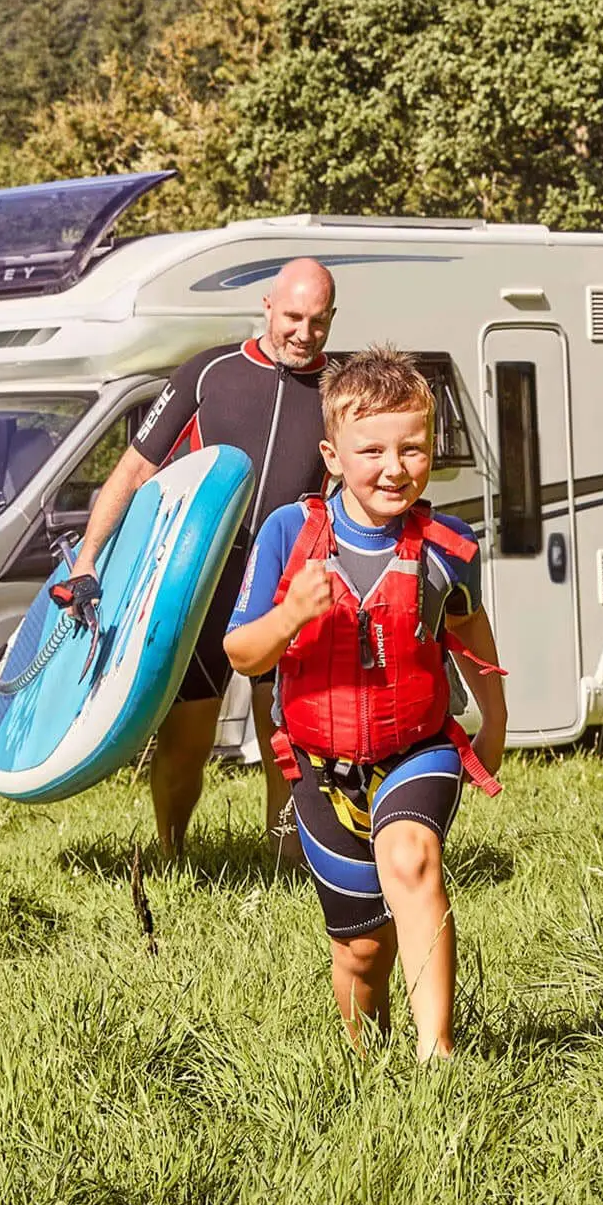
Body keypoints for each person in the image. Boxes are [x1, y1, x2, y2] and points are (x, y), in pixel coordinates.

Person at [223, 347, 508, 1060]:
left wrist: (496, 719)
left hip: (419, 746)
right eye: (372, 450)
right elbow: (242, 654)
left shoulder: (449, 546)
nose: (394, 468)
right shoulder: (289, 533)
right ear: (332, 455)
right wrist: (290, 615)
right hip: (320, 765)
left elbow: (470, 628)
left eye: (412, 449)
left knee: (412, 859)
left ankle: (438, 1058)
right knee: (360, 951)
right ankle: (366, 1060)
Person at [58, 257, 337, 863]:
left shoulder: (340, 388)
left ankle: (289, 868)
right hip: (205, 584)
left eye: (318, 321)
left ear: (332, 319)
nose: (304, 333)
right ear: (267, 306)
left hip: (283, 586)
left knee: (285, 739)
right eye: (293, 317)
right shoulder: (209, 371)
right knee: (185, 740)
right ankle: (171, 854)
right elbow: (135, 469)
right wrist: (87, 561)